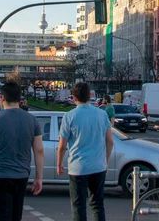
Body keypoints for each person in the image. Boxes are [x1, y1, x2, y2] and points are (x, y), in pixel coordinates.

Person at [0, 82, 44, 220]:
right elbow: (39, 150)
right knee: (15, 215)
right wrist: (39, 177)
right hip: (21, 176)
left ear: (2, 98)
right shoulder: (32, 120)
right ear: (19, 98)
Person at [57, 82, 114, 221]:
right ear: (90, 96)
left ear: (74, 97)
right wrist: (106, 161)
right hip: (98, 166)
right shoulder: (102, 114)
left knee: (78, 207)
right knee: (98, 205)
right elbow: (110, 141)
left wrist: (59, 163)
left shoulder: (69, 116)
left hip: (78, 168)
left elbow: (62, 145)